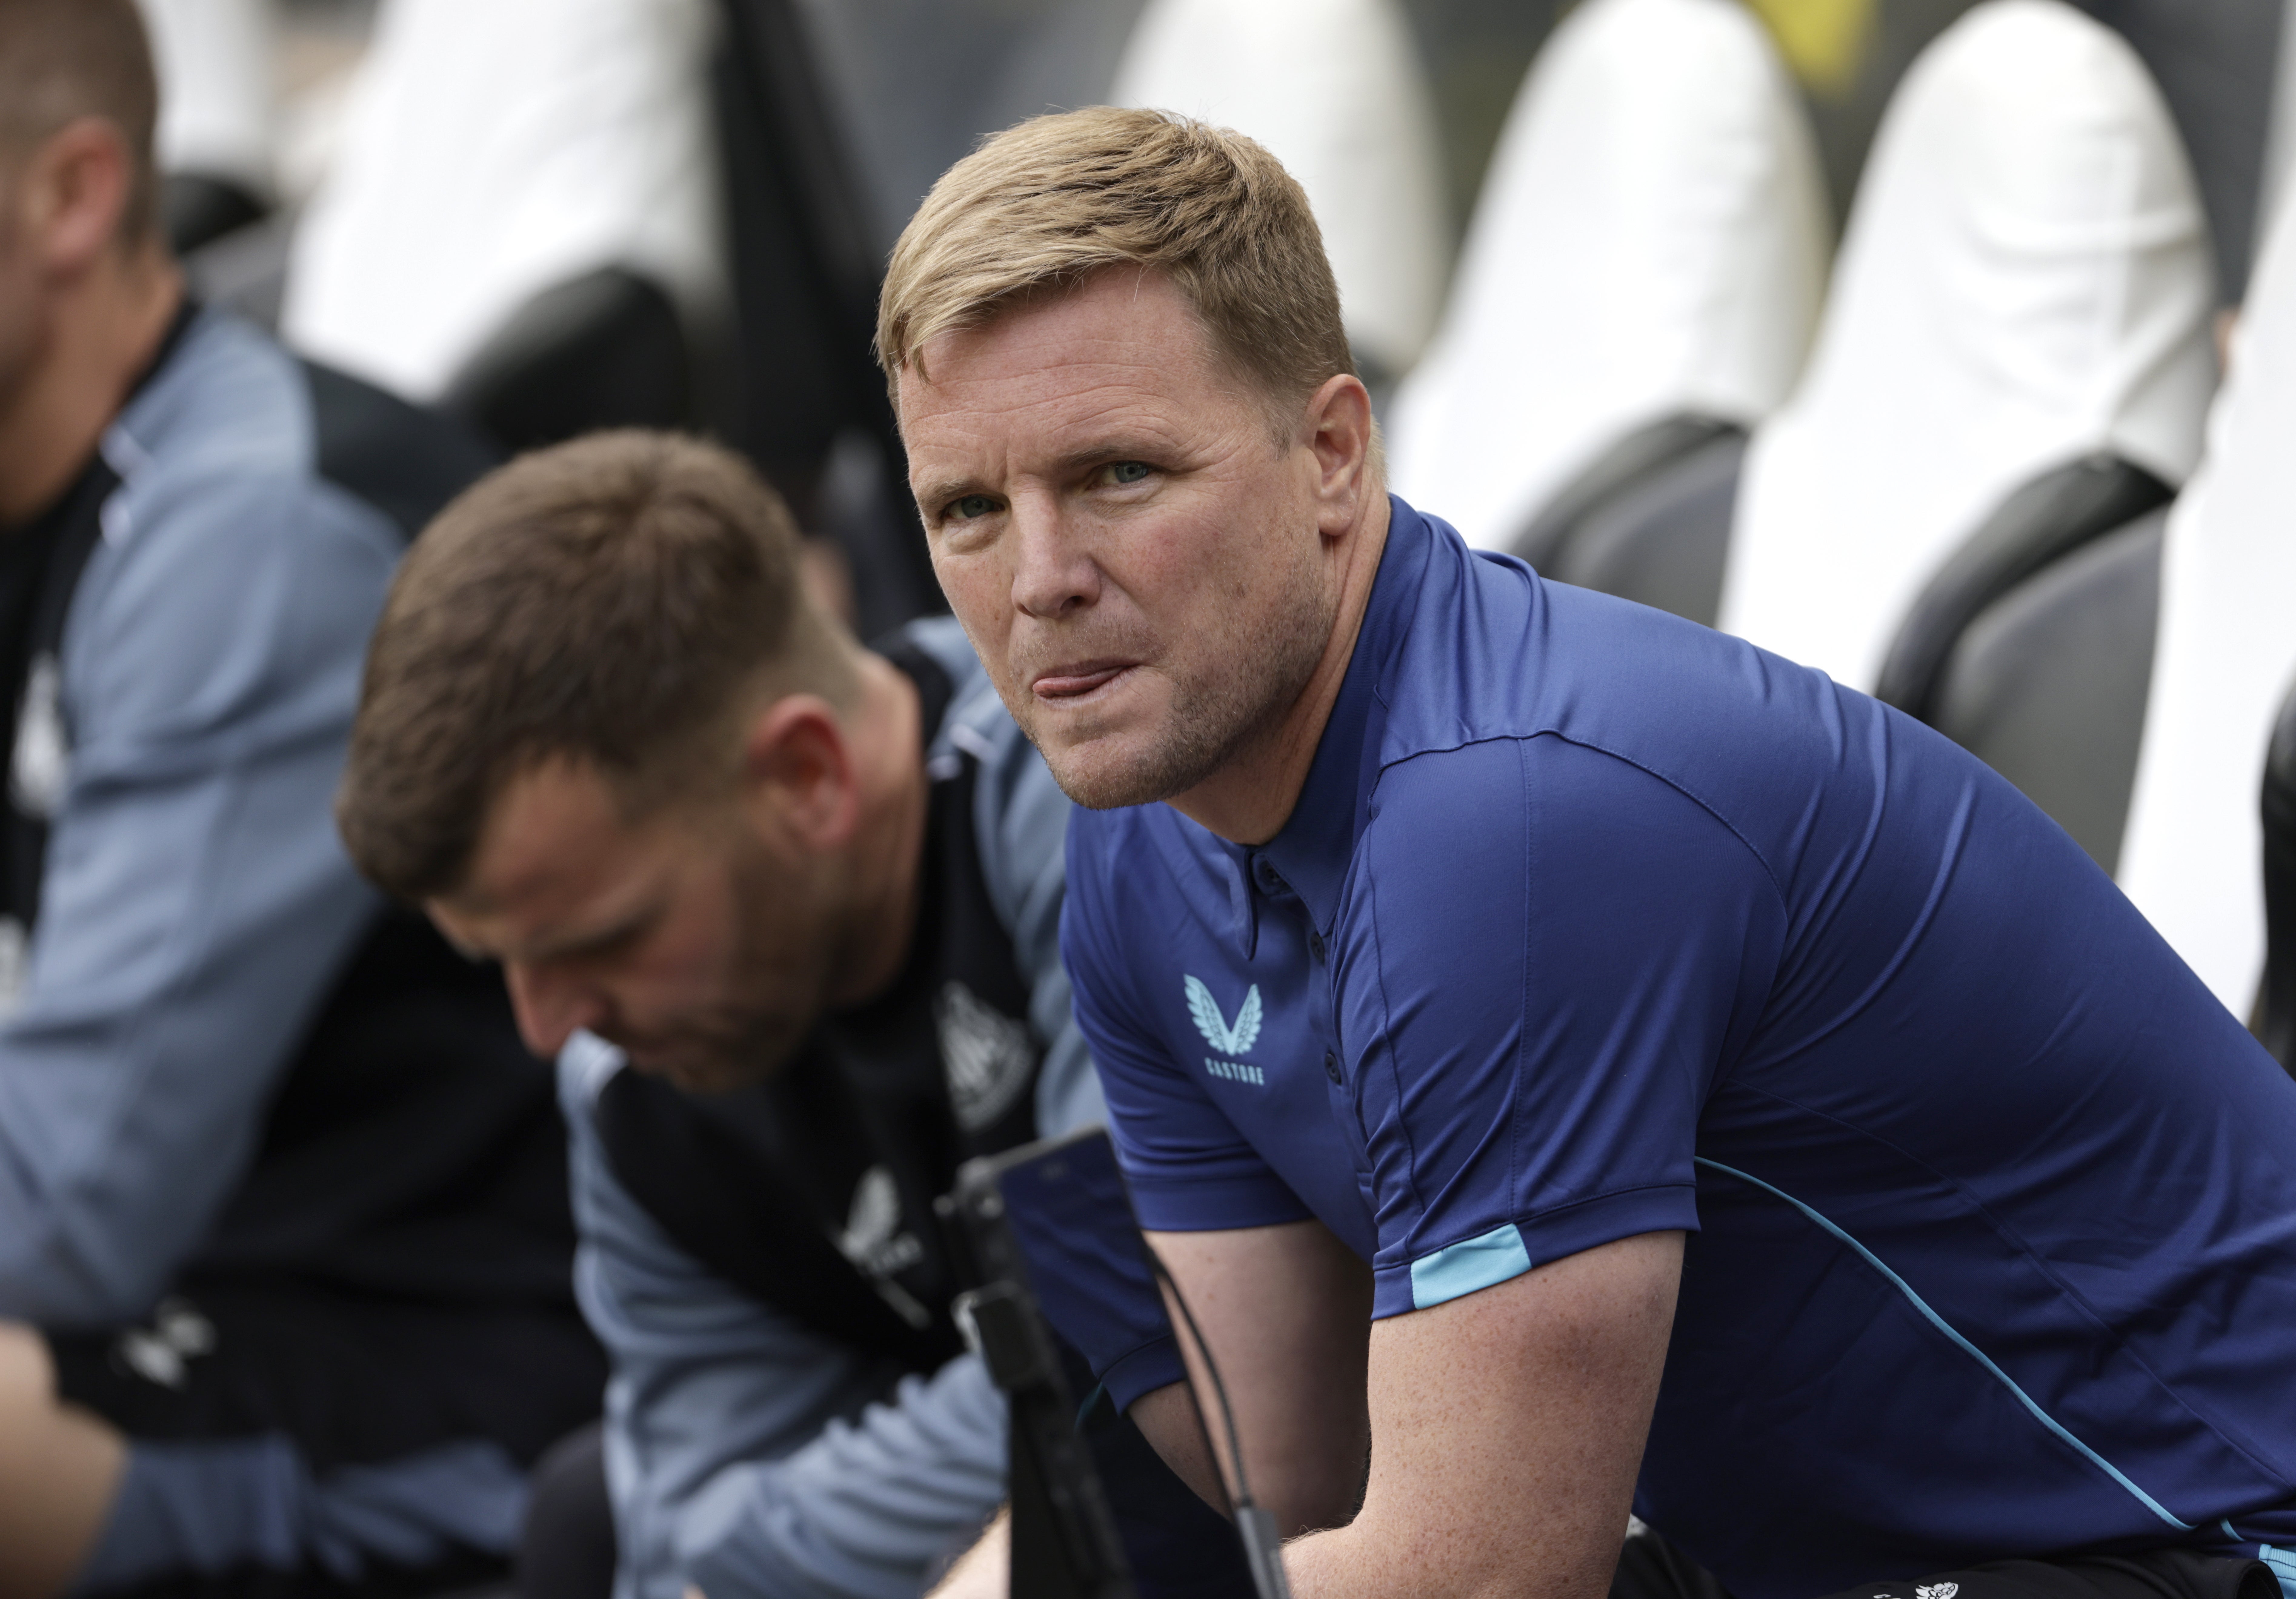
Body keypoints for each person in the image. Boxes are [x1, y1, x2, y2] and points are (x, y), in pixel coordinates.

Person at [877, 106, 2296, 1599]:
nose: (1037, 583)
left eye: (1116, 476)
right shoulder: (1145, 822)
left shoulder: (1510, 830)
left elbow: (1476, 1578)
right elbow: (1264, 1470)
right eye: (967, 509)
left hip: (2213, 1536)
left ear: (1332, 457)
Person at [333, 431, 1235, 1599]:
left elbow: (1167, 1354)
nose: (550, 1027)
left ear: (806, 776)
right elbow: (694, 1533)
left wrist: (1032, 1421)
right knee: (583, 1517)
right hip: (982, 1528)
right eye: (501, 964)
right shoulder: (626, 1088)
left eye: (597, 939)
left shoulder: (1085, 800)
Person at [0, 4, 603, 1595]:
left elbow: (64, 1206)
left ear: (68, 198)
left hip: (453, 1375)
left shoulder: (245, 540)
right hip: (213, 1288)